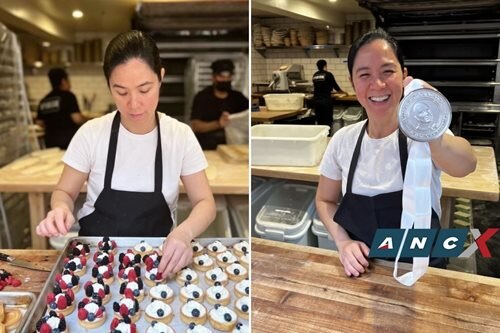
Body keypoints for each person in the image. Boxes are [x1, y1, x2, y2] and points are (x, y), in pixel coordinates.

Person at [36, 30, 216, 276]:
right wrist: (60, 209)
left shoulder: (180, 136)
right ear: (109, 85)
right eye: (121, 92)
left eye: (144, 89)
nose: (134, 103)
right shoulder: (91, 133)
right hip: (94, 263)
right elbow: (64, 192)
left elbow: (205, 203)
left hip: (159, 262)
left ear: (160, 77)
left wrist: (184, 234)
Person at [315, 28, 477, 278]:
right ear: (352, 82)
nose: (377, 84)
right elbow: (324, 200)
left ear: (404, 76)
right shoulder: (342, 141)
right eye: (364, 74)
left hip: (422, 270)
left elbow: (466, 165)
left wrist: (431, 131)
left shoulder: (422, 138)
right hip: (364, 271)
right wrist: (342, 242)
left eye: (387, 71)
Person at [190, 59, 248, 150]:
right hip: (207, 148)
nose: (225, 80)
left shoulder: (238, 98)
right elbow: (195, 126)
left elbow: (250, 113)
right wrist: (219, 123)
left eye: (228, 76)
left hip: (233, 148)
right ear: (213, 77)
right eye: (221, 76)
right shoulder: (202, 97)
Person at [36, 68, 87, 149]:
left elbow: (39, 123)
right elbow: (77, 119)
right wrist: (89, 120)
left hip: (50, 143)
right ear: (63, 81)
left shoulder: (44, 100)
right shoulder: (68, 96)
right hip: (68, 143)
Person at [312, 59, 345, 136]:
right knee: (327, 122)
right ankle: (327, 138)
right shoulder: (328, 74)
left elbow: (319, 87)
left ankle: (320, 138)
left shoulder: (315, 75)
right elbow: (335, 86)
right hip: (326, 101)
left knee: (320, 121)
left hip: (316, 101)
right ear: (325, 66)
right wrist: (343, 92)